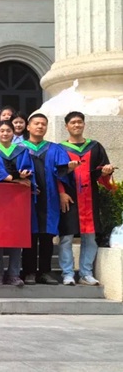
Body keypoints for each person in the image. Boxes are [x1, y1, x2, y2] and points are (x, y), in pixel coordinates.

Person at [58, 111, 114, 286]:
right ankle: (67, 273)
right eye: (73, 122)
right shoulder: (60, 148)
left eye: (79, 122)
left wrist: (106, 172)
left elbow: (101, 173)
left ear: (84, 124)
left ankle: (86, 273)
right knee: (66, 237)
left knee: (89, 237)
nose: (77, 125)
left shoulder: (95, 147)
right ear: (66, 126)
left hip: (89, 197)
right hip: (69, 198)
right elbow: (56, 174)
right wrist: (61, 193)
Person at [20, 113, 72, 285]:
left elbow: (61, 174)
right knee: (29, 235)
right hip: (26, 199)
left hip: (50, 198)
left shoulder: (55, 149)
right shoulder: (19, 148)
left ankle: (45, 272)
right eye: (36, 123)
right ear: (28, 127)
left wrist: (62, 192)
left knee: (47, 236)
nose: (40, 126)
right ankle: (28, 272)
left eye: (43, 124)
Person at [0, 120, 35, 287]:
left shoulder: (22, 150)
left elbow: (28, 169)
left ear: (13, 133)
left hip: (18, 198)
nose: (5, 133)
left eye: (8, 131)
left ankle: (14, 274)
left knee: (16, 235)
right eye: (2, 131)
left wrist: (24, 175)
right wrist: (15, 179)